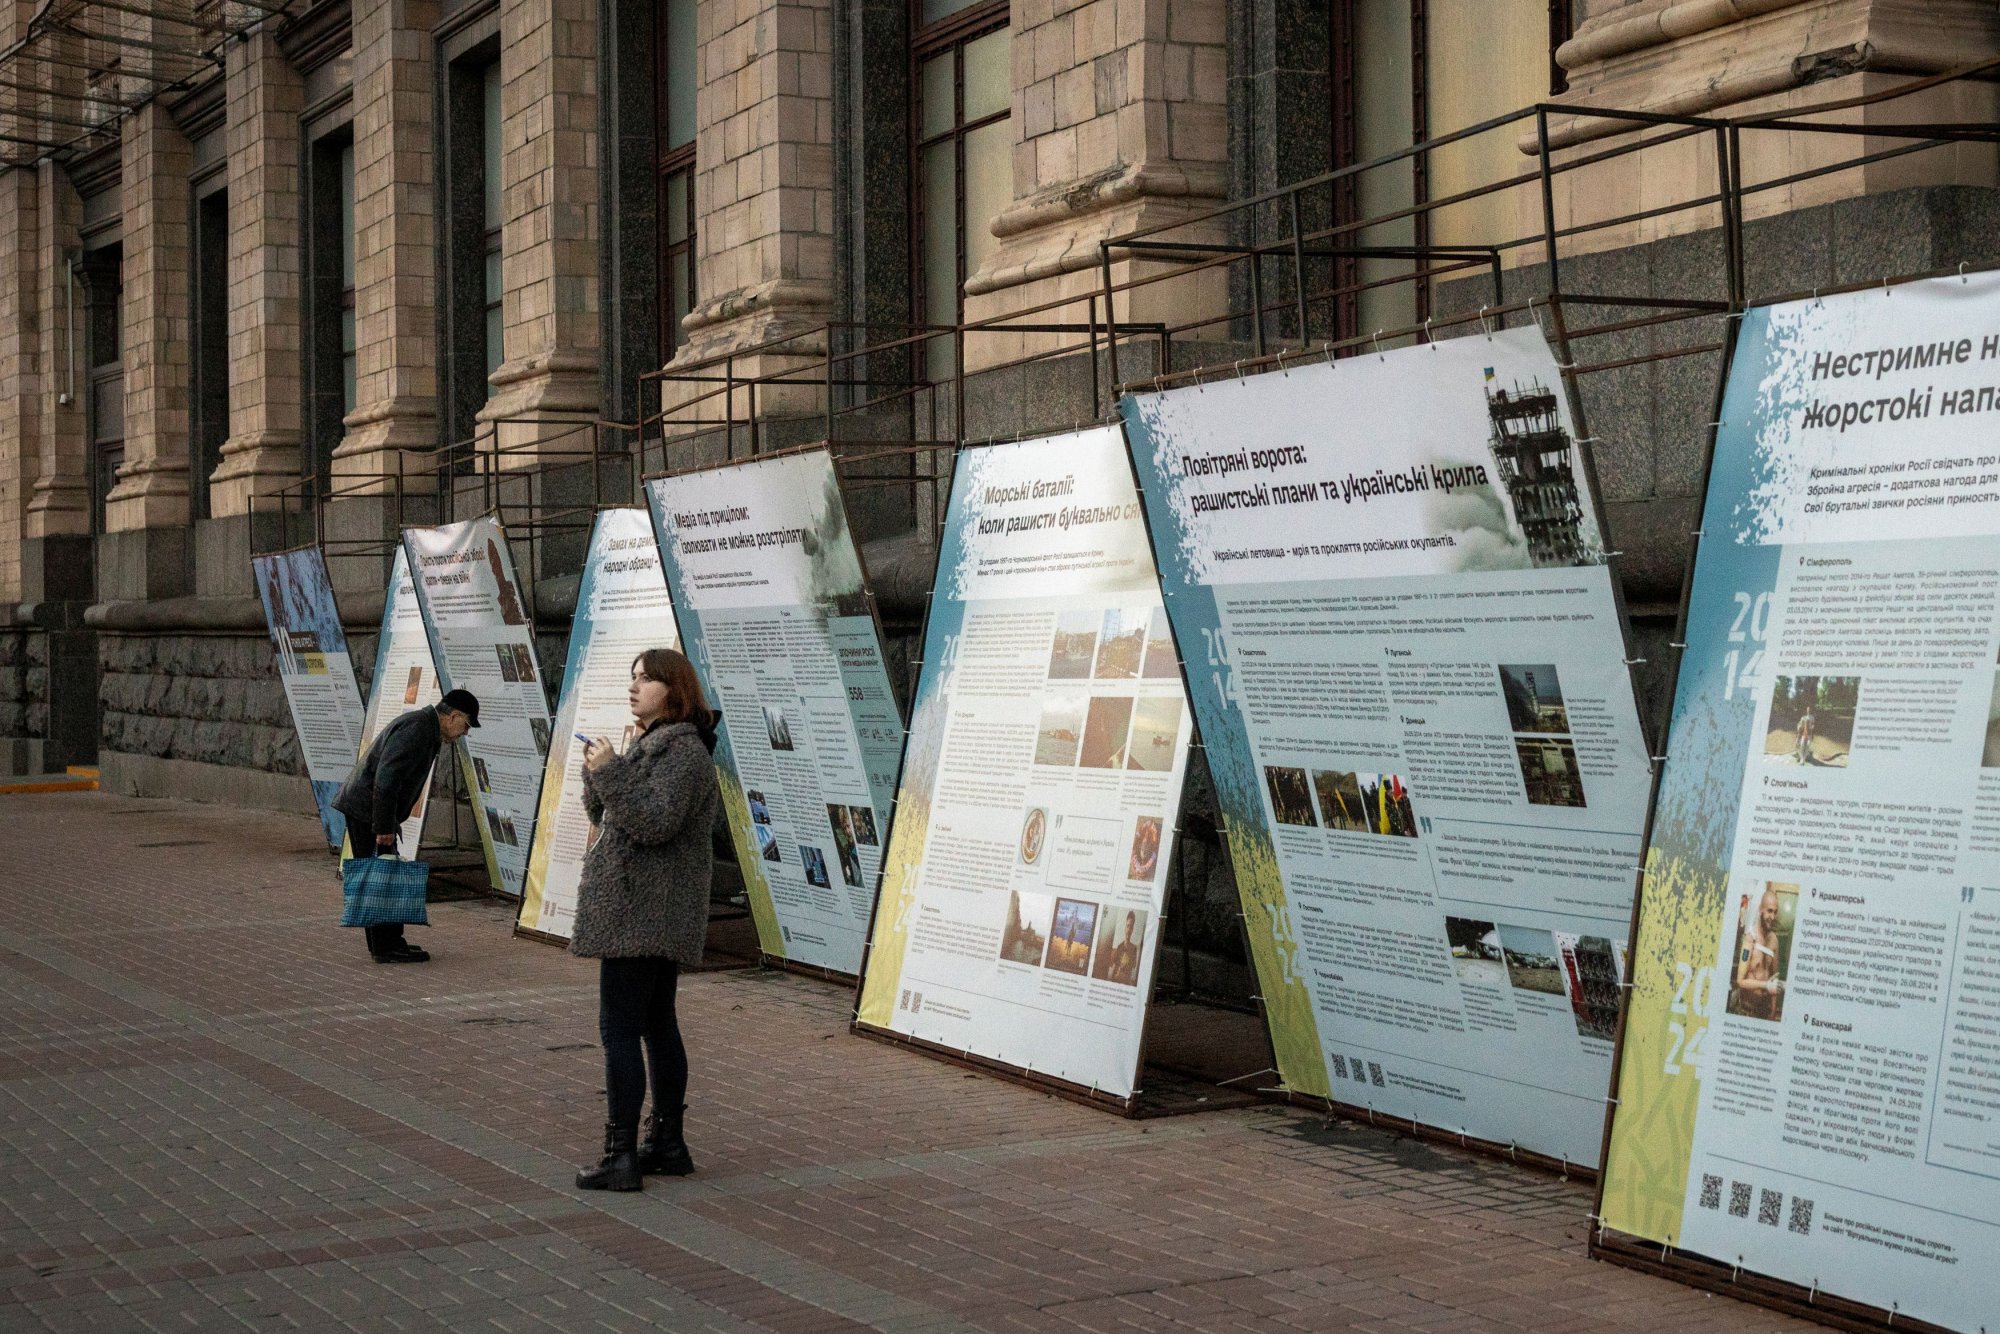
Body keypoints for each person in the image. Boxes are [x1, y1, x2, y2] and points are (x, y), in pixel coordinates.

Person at [571, 649, 720, 1192]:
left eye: (646, 680)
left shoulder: (683, 753)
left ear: (674, 689)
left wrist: (613, 771)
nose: (634, 689)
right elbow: (609, 816)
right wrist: (601, 772)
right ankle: (667, 1144)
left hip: (644, 914)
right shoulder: (655, 745)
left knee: (619, 1031)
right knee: (657, 1025)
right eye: (631, 679)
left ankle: (622, 1155)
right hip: (647, 910)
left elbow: (654, 822)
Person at [334, 688, 480, 962]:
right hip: (367, 809)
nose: (465, 732)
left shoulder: (425, 728)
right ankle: (385, 947)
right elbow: (386, 780)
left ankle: (388, 942)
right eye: (467, 725)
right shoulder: (418, 729)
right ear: (454, 716)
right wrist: (384, 827)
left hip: (371, 809)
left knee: (382, 875)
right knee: (379, 877)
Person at [1732, 886, 1786, 1020]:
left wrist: (1773, 1011)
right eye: (1769, 911)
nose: (1772, 917)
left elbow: (1775, 977)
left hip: (1763, 1012)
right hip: (1746, 1012)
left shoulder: (1774, 940)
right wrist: (1766, 985)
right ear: (1760, 909)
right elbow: (1740, 981)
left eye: (1775, 912)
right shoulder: (1749, 939)